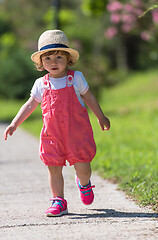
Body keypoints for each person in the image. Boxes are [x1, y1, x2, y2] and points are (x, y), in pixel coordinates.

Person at [4, 30, 110, 217]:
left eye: (59, 57)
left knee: (83, 167)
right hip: (52, 135)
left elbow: (90, 97)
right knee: (53, 167)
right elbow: (29, 105)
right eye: (48, 58)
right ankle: (58, 201)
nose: (53, 62)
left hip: (77, 134)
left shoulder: (76, 78)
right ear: (41, 62)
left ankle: (83, 183)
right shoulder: (41, 84)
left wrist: (101, 116)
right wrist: (14, 123)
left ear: (68, 58)